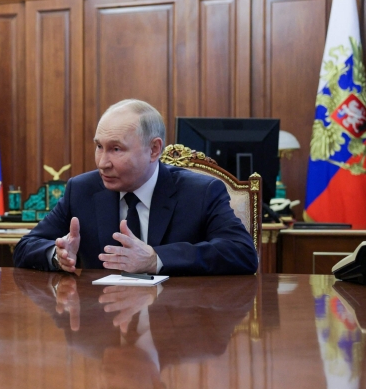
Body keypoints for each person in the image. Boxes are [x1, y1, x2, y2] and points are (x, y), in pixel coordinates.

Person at [13, 99, 259, 276]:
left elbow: (242, 253)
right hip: (103, 328)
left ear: (153, 149)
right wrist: (58, 255)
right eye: (99, 146)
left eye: (116, 149)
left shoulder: (201, 192)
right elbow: (25, 246)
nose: (102, 162)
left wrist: (157, 259)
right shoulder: (82, 189)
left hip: (177, 327)